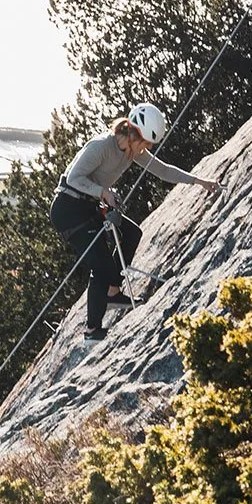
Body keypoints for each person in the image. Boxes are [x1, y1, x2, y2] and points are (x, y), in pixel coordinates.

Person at [49, 102, 219, 342]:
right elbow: (74, 178)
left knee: (132, 234)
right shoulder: (100, 147)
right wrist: (103, 193)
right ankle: (92, 330)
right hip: (68, 208)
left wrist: (199, 181)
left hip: (88, 205)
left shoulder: (132, 151)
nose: (148, 148)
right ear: (134, 134)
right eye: (147, 143)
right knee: (101, 265)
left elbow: (163, 170)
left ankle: (113, 292)